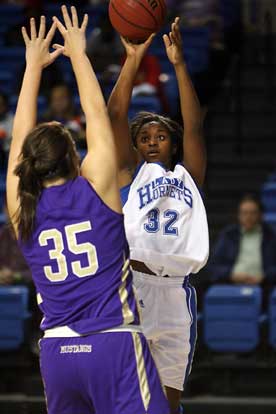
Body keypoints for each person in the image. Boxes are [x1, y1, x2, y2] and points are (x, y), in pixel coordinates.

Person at [6, 6, 169, 414]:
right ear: (73, 161)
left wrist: (30, 69)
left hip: (57, 354)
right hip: (112, 344)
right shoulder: (97, 190)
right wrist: (79, 52)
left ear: (29, 165)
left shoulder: (22, 206)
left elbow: (16, 148)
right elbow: (99, 115)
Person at [108, 17, 209, 414]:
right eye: (145, 138)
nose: (152, 142)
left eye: (160, 137)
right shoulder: (127, 178)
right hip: (132, 288)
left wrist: (179, 64)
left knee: (167, 404)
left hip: (176, 293)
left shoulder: (189, 177)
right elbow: (114, 116)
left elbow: (196, 126)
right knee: (122, 396)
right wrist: (132, 60)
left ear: (173, 143)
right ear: (135, 148)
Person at [207, 194, 276, 304]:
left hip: (263, 286)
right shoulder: (228, 235)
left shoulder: (271, 236)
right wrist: (231, 275)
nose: (248, 217)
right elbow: (214, 266)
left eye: (253, 213)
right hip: (230, 284)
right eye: (244, 213)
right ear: (239, 215)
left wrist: (264, 276)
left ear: (261, 215)